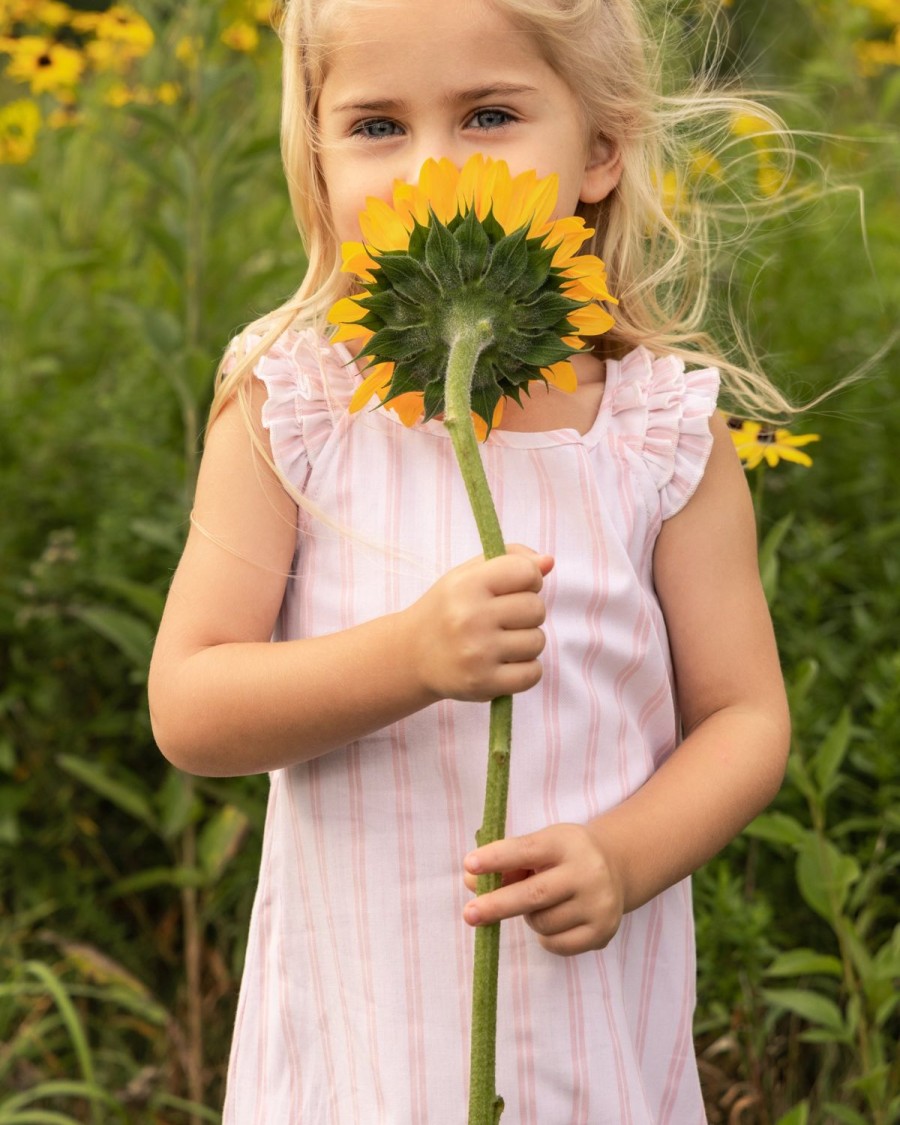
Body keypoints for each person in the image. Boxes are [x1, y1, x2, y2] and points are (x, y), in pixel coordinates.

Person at [148, 0, 793, 1119]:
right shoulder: (294, 406)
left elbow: (745, 718)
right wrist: (410, 656)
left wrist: (627, 855)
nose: (432, 171)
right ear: (315, 150)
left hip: (586, 1034)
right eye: (376, 126)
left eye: (489, 114)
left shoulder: (654, 435)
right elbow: (191, 705)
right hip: (361, 1039)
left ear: (600, 148)